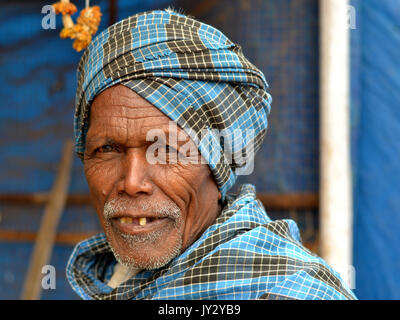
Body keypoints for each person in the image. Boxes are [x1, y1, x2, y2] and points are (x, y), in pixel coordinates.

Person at [66, 8, 356, 300]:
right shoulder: (116, 278)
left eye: (165, 150)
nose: (131, 182)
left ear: (217, 164)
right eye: (106, 149)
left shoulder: (288, 293)